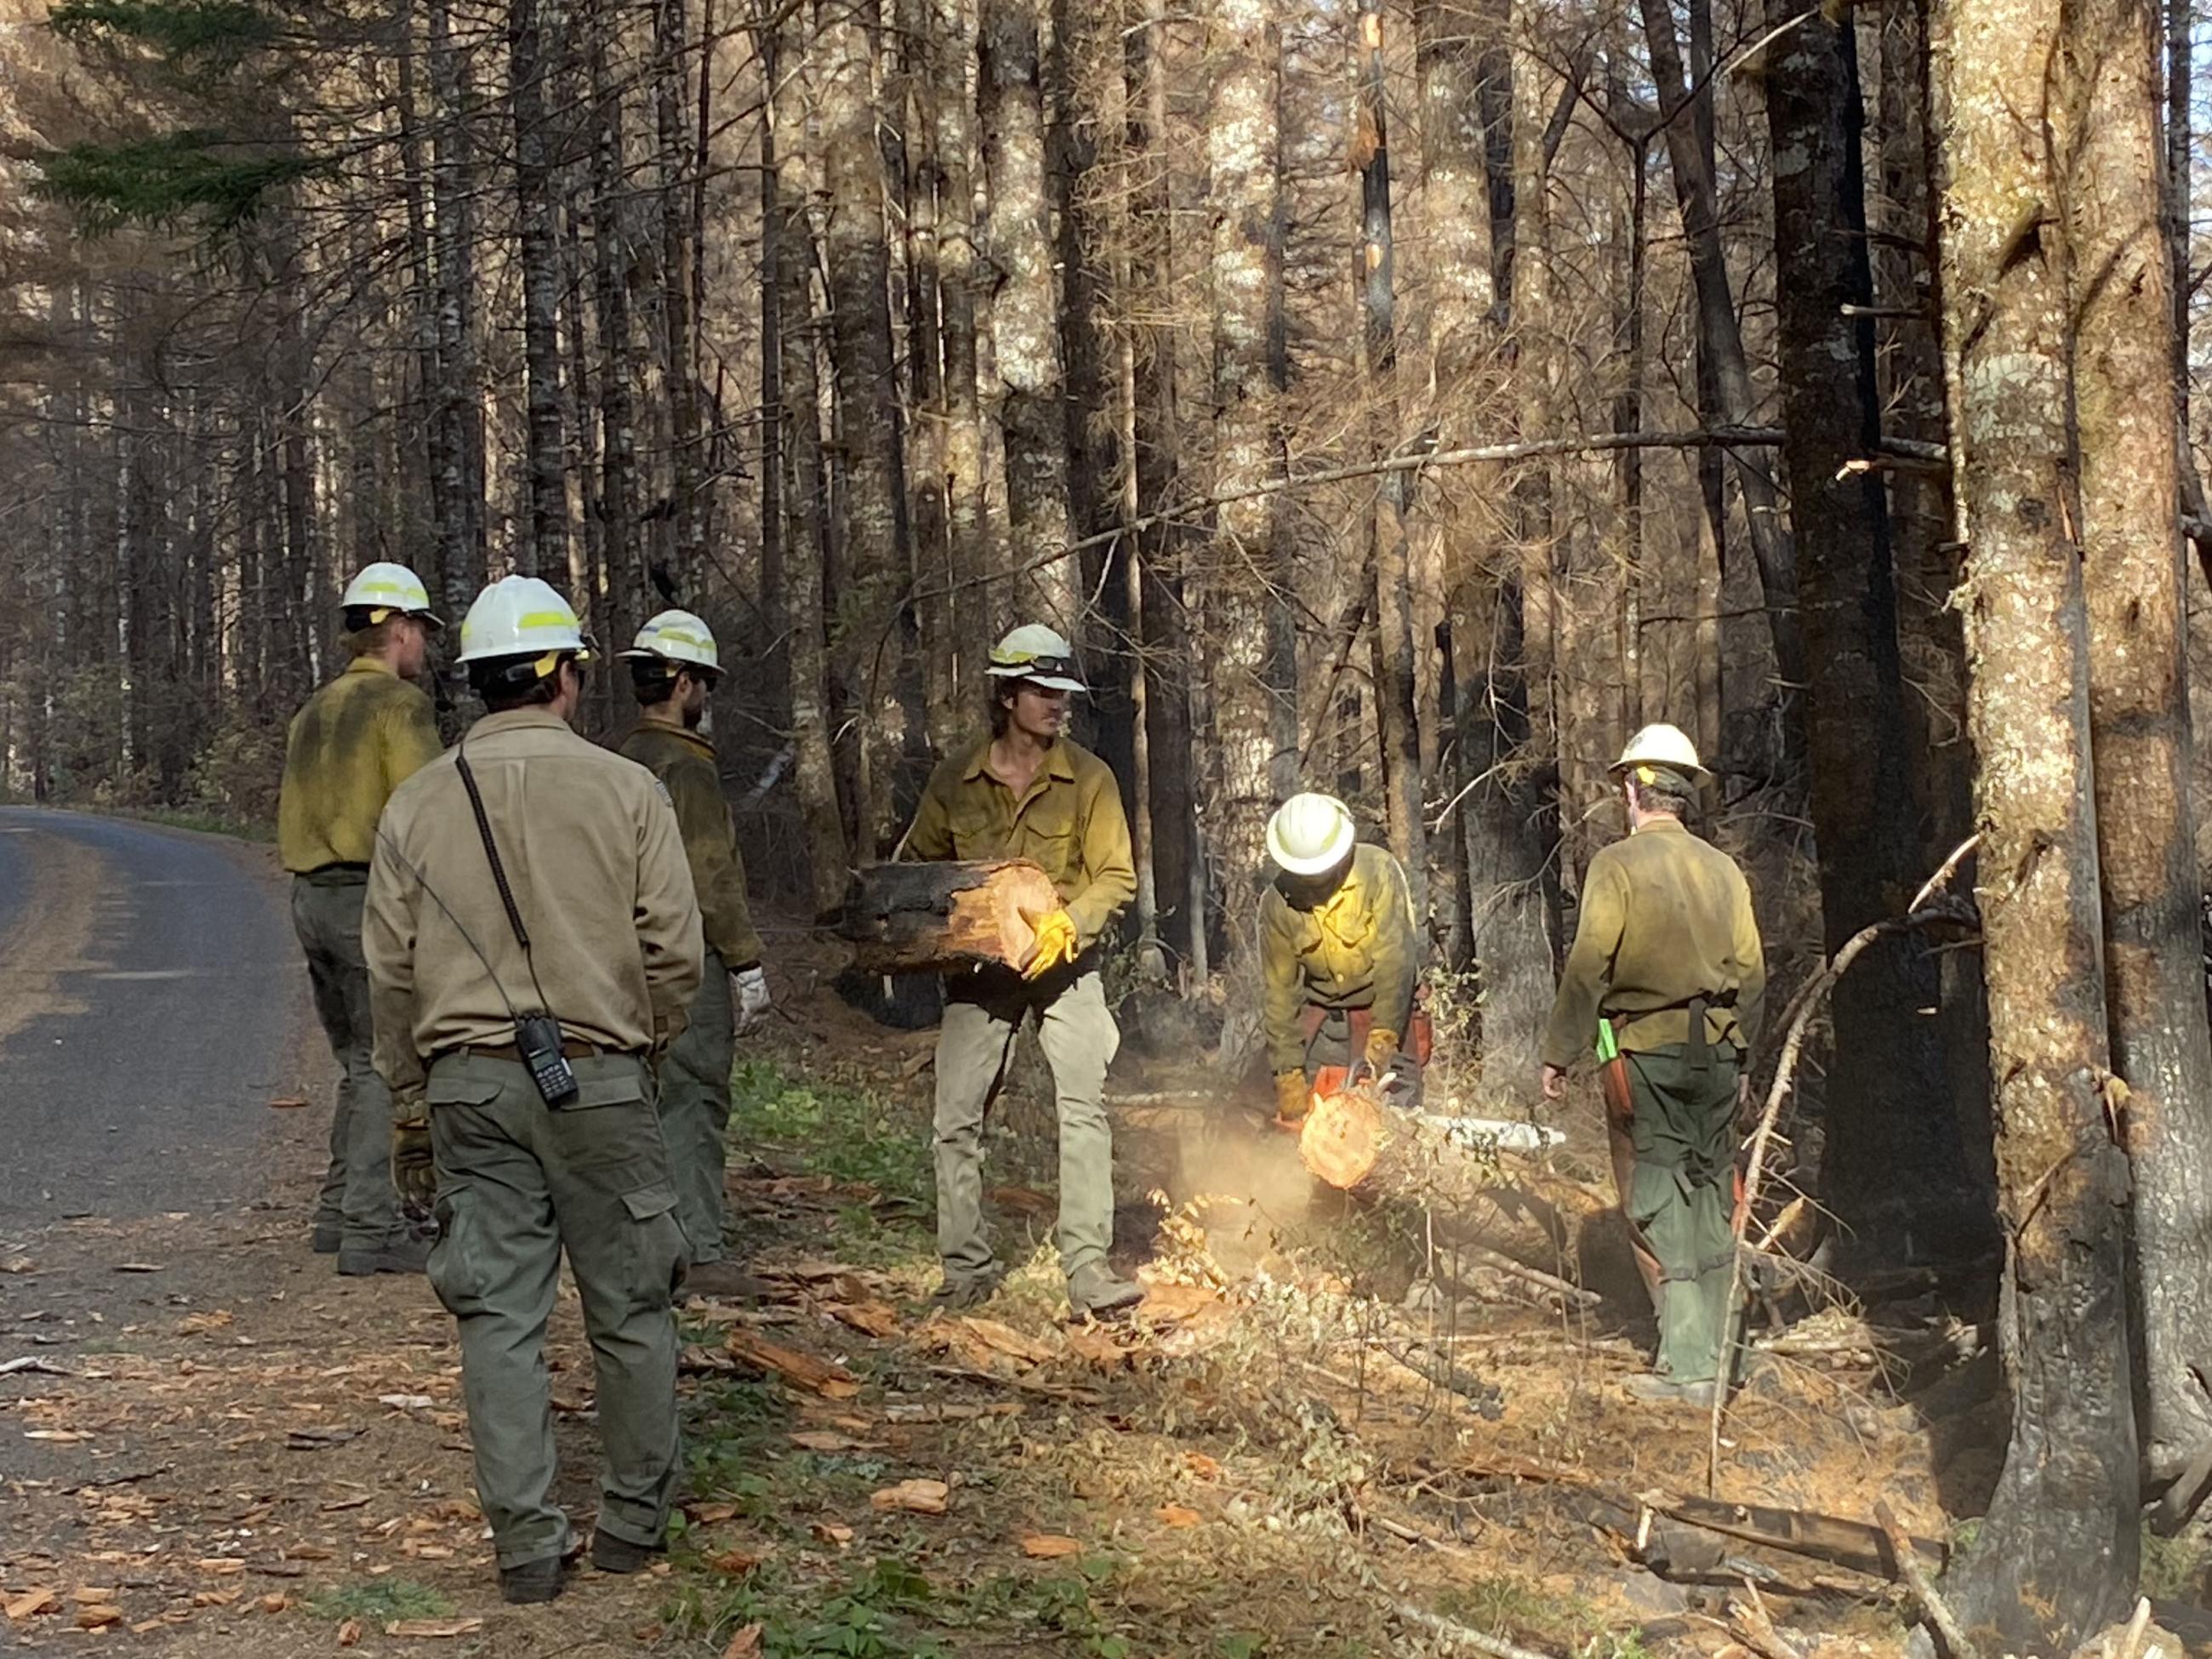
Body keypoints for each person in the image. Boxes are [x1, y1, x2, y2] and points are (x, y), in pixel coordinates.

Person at [363, 576, 703, 1604]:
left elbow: (388, 968)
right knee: (634, 1307)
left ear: (473, 682)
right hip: (600, 1081)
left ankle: (525, 1546)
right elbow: (675, 955)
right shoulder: (626, 789)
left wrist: (411, 1090)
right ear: (562, 674)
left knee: (497, 1318)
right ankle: (634, 1529)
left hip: (468, 1089)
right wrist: (633, 1045)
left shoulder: (417, 800)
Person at [902, 623, 1143, 1319]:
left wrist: (1071, 923)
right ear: (1007, 695)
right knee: (955, 1115)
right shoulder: (958, 779)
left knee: (1084, 1106)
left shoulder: (1089, 778)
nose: (1057, 704)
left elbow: (1116, 877)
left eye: (1063, 693)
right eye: (1042, 691)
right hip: (981, 970)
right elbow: (919, 866)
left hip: (1065, 962)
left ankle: (1089, 1270)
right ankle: (965, 1269)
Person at [1539, 723, 1765, 1406]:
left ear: (1636, 792)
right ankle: (1726, 1356)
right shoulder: (1724, 871)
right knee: (1711, 1198)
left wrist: (1558, 1053)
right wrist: (1744, 1055)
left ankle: (1691, 1366)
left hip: (1647, 1054)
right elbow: (1752, 973)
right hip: (1719, 1055)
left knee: (1659, 1202)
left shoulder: (1616, 867)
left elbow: (1587, 969)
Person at [277, 562, 445, 1275]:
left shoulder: (315, 708)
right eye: (422, 635)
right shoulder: (398, 709)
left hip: (310, 898)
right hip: (364, 898)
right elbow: (427, 806)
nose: (426, 650)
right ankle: (371, 1233)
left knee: (354, 1063)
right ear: (401, 630)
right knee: (383, 1067)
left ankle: (336, 1213)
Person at [616, 610, 771, 1297]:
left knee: (635, 1102)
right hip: (684, 960)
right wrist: (745, 961)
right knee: (695, 1096)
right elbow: (710, 876)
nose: (706, 694)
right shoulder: (687, 770)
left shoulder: (618, 761)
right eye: (702, 681)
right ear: (681, 683)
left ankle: (637, 1244)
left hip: (616, 960)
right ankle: (697, 1252)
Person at [1257, 793, 1423, 1130]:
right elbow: (1280, 996)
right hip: (1321, 1019)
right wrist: (1290, 1083)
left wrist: (1382, 1042)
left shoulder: (1377, 871)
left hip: (1385, 1014)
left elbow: (1396, 961)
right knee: (1301, 1121)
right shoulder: (1278, 903)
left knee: (1391, 1124)